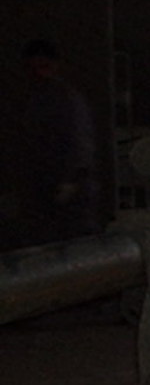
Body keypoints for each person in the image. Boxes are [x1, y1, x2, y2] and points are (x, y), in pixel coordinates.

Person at [1, 40, 100, 249]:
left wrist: (71, 180)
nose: (39, 74)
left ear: (55, 67)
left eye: (43, 67)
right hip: (43, 189)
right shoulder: (29, 101)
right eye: (33, 69)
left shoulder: (67, 100)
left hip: (71, 191)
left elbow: (79, 143)